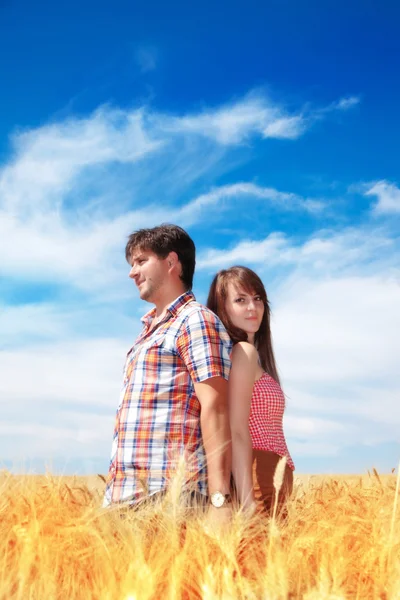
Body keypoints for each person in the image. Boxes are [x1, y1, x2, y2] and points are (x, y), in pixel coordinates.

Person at [103, 224, 233, 521]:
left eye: (141, 261)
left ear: (172, 262)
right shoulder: (146, 333)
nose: (131, 273)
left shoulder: (195, 320)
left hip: (170, 496)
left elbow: (216, 407)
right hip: (124, 498)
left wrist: (219, 501)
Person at [207, 266, 294, 515]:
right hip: (259, 474)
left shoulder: (248, 357)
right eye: (240, 300)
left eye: (257, 299)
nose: (252, 308)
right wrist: (247, 498)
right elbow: (236, 429)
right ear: (222, 307)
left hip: (271, 474)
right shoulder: (244, 353)